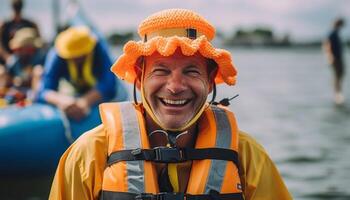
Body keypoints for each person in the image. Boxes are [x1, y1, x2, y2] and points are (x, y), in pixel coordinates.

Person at [49, 9, 292, 199]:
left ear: (209, 81)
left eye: (191, 71)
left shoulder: (249, 157)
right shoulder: (87, 155)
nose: (175, 86)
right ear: (139, 77)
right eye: (161, 71)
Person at [36, 26, 118, 121]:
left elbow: (109, 84)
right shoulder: (57, 54)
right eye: (73, 57)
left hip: (91, 91)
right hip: (72, 96)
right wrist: (63, 101)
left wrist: (84, 102)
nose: (77, 59)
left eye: (81, 56)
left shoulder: (98, 48)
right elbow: (44, 90)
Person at [0, 27, 46, 104]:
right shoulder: (14, 60)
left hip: (33, 94)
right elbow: (8, 79)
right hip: (15, 92)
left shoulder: (39, 59)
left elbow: (42, 80)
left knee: (38, 71)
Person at [0, 0, 40, 64]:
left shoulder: (31, 24)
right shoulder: (4, 26)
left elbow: (38, 43)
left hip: (28, 61)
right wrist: (7, 57)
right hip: (8, 61)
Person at [324, 18, 346, 105]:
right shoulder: (332, 33)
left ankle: (338, 93)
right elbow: (327, 44)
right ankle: (337, 94)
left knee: (340, 74)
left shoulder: (336, 33)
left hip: (338, 58)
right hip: (335, 58)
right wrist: (330, 56)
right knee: (337, 75)